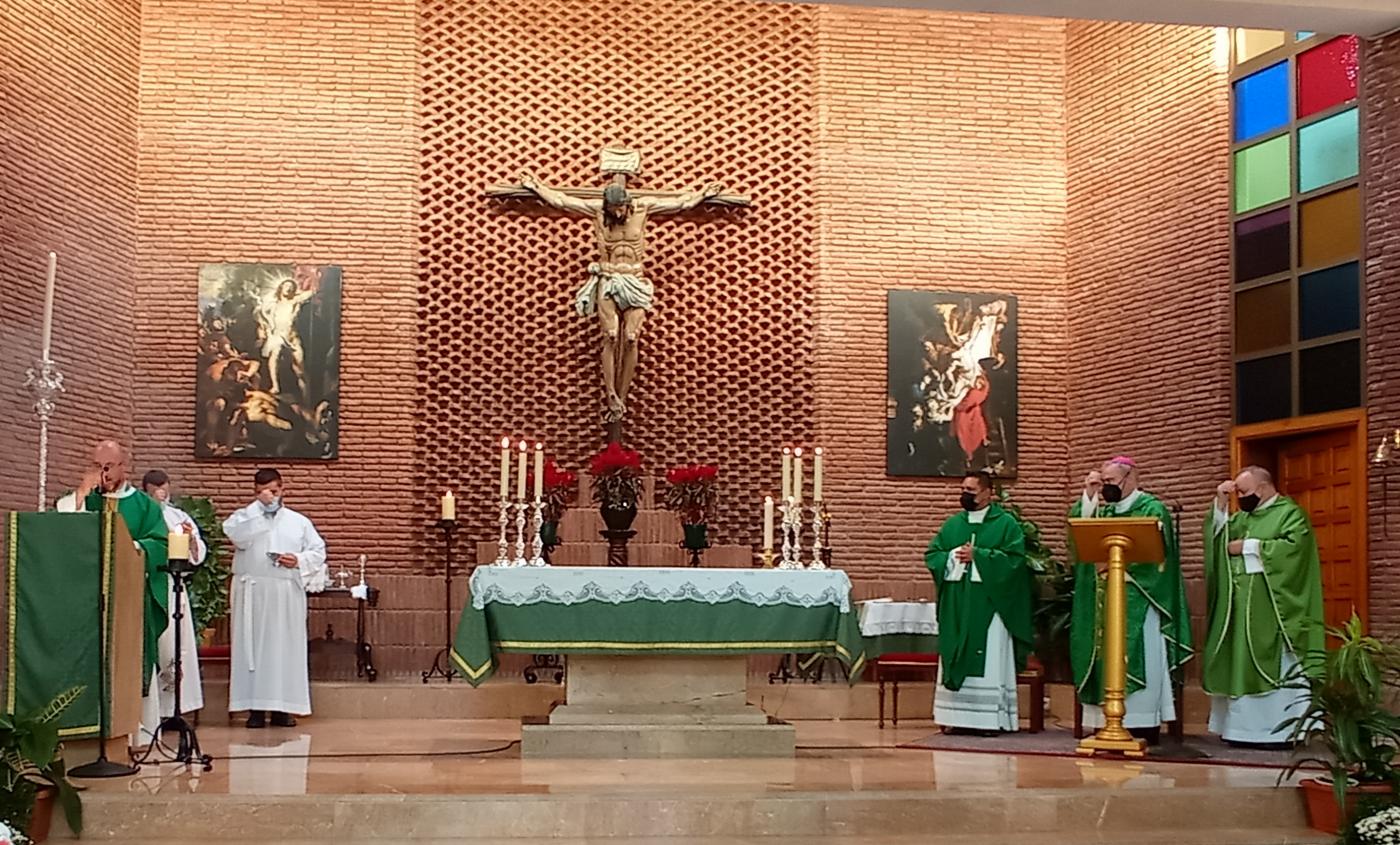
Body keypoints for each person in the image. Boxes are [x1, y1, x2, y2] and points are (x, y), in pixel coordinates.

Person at [517, 169, 724, 422]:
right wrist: (537, 186)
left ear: (627, 204)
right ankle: (610, 393)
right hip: (609, 278)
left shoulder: (644, 208)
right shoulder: (598, 212)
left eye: (620, 209)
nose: (616, 214)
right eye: (612, 209)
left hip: (635, 280)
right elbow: (562, 200)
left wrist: (703, 194)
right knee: (610, 335)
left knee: (631, 337)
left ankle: (622, 398)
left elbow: (680, 203)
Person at [1068, 456, 1193, 743]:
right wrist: (1088, 495)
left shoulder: (1152, 508)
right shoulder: (1104, 511)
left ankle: (1141, 723)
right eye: (1103, 482)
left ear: (1130, 477)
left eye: (1110, 482)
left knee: (1139, 653)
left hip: (1139, 597)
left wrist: (1121, 569)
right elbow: (1079, 537)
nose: (1106, 488)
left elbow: (1158, 555)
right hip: (1104, 598)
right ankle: (1106, 721)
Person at [1204, 466, 1324, 747]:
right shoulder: (1243, 517)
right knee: (1239, 659)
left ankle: (1280, 731)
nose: (1241, 499)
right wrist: (1220, 505)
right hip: (1241, 604)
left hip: (1272, 607)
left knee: (1275, 662)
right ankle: (1241, 729)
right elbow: (1218, 539)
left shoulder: (1290, 514)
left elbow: (1295, 550)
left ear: (1263, 487)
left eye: (1244, 492)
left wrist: (1249, 546)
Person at [56, 441, 169, 698]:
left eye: (108, 466)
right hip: (87, 596)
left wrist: (130, 547)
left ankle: (134, 723)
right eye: (96, 466)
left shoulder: (144, 505)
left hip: (129, 595)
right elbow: (64, 531)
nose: (103, 473)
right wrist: (82, 493)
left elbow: (161, 544)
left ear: (123, 466)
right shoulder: (85, 500)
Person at [924, 471, 1035, 733]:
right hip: (958, 604)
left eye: (971, 490)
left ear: (988, 492)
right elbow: (933, 554)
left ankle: (988, 720)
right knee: (954, 651)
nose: (966, 494)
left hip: (989, 603)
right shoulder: (953, 525)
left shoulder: (1006, 524)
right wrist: (952, 556)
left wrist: (980, 557)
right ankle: (954, 718)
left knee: (989, 654)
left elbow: (1015, 561)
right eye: (963, 489)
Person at [223, 468, 328, 728]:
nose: (269, 496)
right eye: (261, 491)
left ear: (283, 489)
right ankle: (255, 709)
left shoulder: (298, 521)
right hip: (253, 593)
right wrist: (259, 509)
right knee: (253, 650)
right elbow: (237, 536)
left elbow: (317, 551)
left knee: (284, 649)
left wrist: (298, 560)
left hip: (285, 593)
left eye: (273, 490)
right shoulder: (244, 517)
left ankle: (284, 708)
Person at [138, 470, 206, 737]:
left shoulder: (179, 517)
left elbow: (197, 552)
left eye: (164, 487)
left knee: (176, 647)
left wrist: (190, 541)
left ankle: (173, 709)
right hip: (146, 586)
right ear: (145, 489)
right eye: (155, 488)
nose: (161, 493)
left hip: (172, 587)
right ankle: (150, 711)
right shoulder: (142, 514)